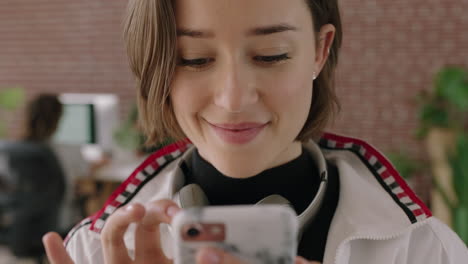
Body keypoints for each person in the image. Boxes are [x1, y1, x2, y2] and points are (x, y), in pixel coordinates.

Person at [43, 0, 468, 263]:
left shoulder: (424, 250)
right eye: (193, 59)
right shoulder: (95, 253)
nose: (232, 99)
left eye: (270, 55)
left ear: (320, 51)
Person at [0, 93, 66, 262]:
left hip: (15, 225)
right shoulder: (55, 153)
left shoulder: (7, 150)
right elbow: (63, 192)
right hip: (49, 226)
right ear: (58, 119)